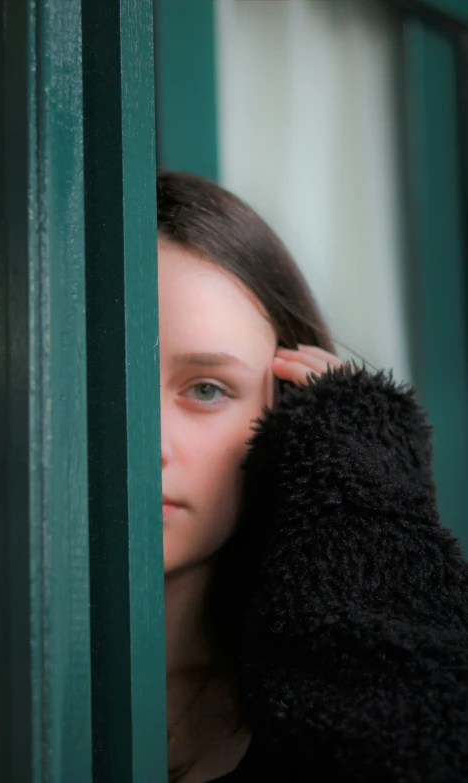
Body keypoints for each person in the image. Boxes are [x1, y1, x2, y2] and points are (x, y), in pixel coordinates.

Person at [157, 169, 468, 783]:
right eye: (99, 384)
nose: (150, 446)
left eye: (208, 389)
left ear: (290, 417)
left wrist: (368, 494)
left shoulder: (319, 695)